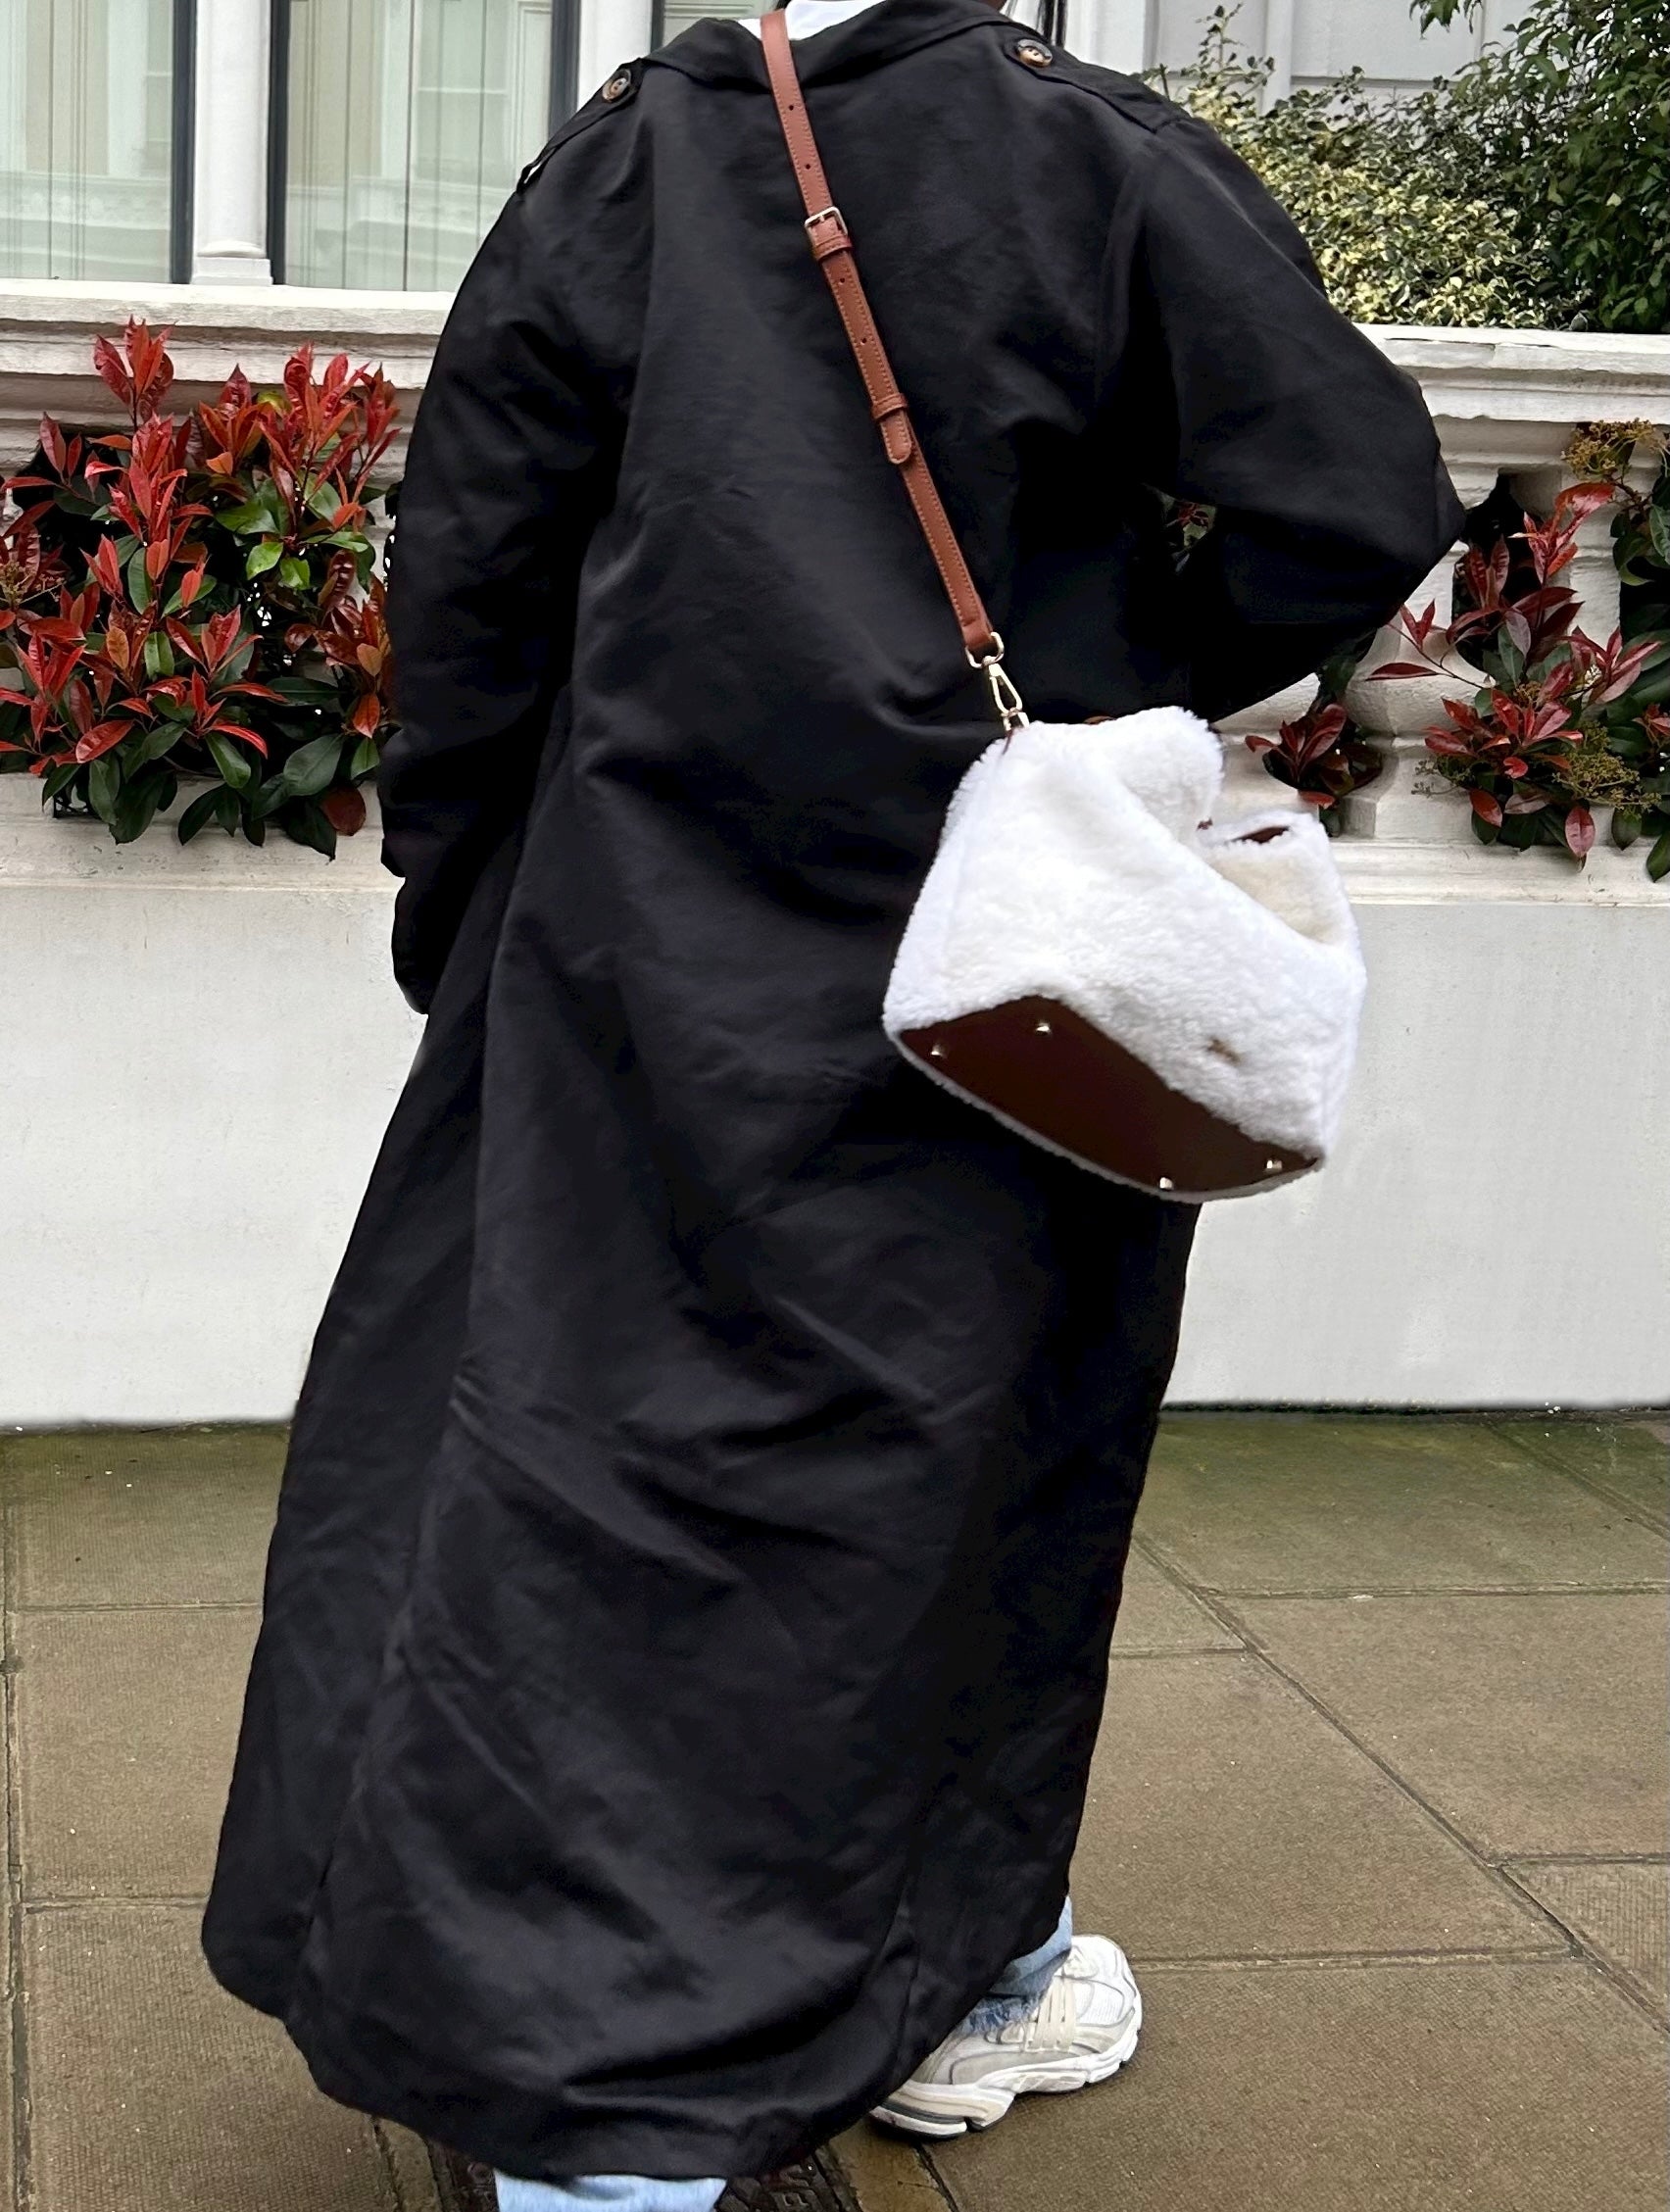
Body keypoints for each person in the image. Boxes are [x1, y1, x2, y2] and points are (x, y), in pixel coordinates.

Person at [203, 3, 1461, 2208]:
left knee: (582, 1520)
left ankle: (636, 2113)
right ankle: (936, 1988)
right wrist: (1109, 690)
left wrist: (467, 931)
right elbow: (1349, 498)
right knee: (964, 1494)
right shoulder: (1105, 161)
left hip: (635, 976)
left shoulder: (623, 175)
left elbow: (472, 602)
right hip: (1000, 973)